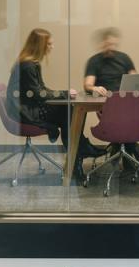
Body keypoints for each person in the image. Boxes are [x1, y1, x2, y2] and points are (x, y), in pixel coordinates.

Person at [7, 28, 96, 182]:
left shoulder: (30, 63)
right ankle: (79, 154)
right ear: (39, 46)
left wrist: (64, 93)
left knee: (71, 110)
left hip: (28, 107)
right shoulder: (28, 66)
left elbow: (40, 90)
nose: (51, 47)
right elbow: (38, 94)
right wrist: (64, 94)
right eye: (49, 44)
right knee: (70, 111)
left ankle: (78, 153)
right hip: (25, 112)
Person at [82, 27, 139, 164]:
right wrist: (95, 87)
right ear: (101, 44)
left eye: (113, 44)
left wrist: (138, 86)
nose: (110, 47)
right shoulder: (94, 61)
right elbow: (87, 85)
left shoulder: (124, 58)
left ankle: (120, 145)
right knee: (123, 122)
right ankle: (130, 149)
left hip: (129, 103)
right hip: (109, 105)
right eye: (107, 44)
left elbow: (135, 79)